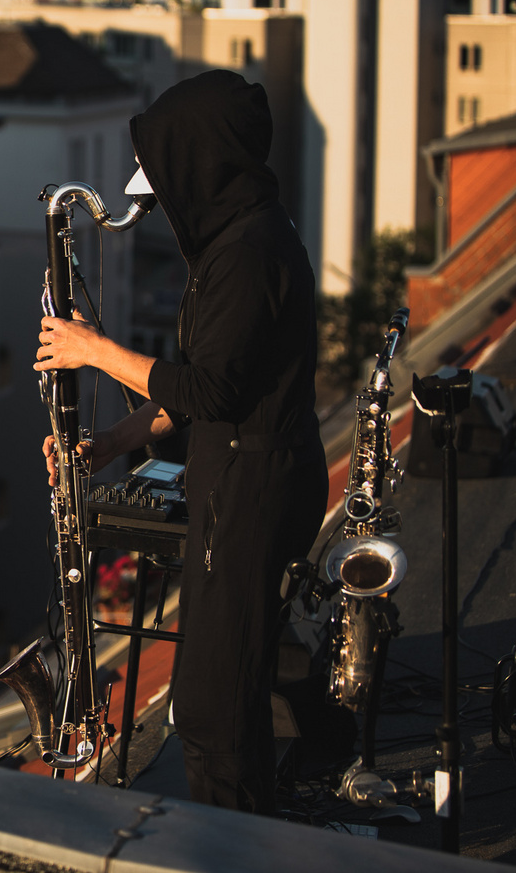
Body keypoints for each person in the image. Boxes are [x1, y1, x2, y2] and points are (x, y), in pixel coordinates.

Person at [33, 69, 326, 814]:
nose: (154, 198)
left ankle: (236, 850)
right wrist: (109, 443)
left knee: (211, 712)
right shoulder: (239, 240)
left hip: (252, 491)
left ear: (199, 159)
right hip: (239, 480)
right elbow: (195, 390)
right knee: (223, 696)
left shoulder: (248, 253)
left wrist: (93, 350)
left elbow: (207, 393)